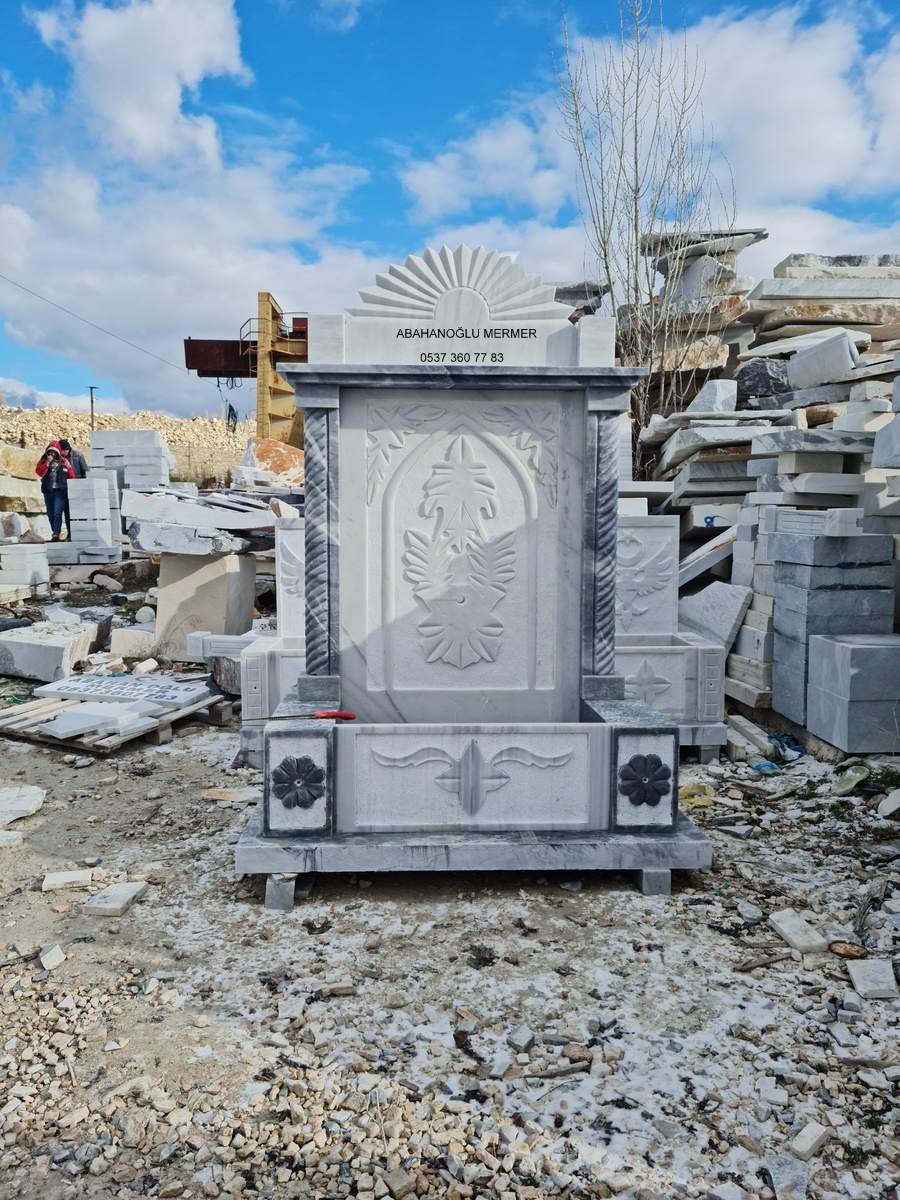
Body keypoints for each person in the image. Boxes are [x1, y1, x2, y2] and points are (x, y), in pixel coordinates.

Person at [35, 442, 74, 541]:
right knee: (50, 513)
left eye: (54, 452)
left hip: (60, 492)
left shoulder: (64, 462)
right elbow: (40, 473)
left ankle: (56, 532)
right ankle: (54, 532)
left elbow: (71, 476)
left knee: (57, 512)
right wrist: (47, 463)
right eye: (50, 452)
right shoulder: (43, 461)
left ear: (58, 452)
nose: (52, 454)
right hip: (48, 491)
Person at [58, 438, 88, 537]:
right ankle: (71, 534)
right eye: (61, 450)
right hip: (65, 488)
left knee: (80, 511)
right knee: (67, 512)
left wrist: (84, 487)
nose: (62, 452)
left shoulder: (78, 456)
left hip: (78, 487)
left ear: (68, 449)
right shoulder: (58, 458)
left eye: (64, 450)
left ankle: (82, 533)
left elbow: (85, 472)